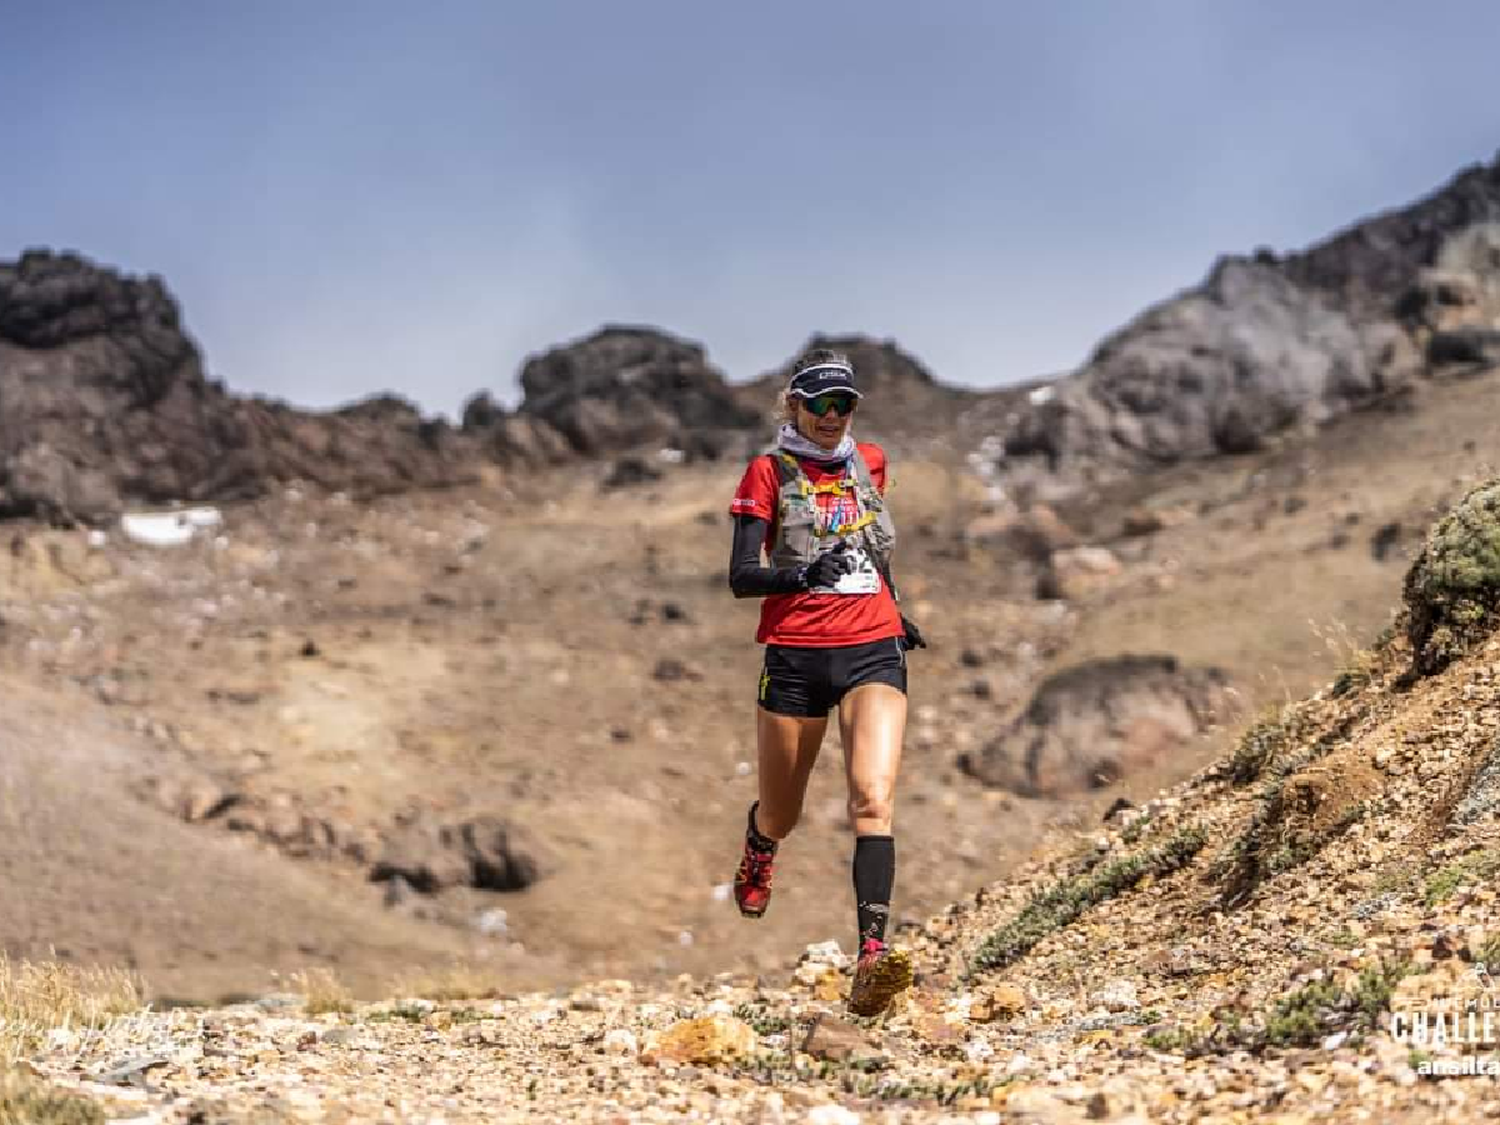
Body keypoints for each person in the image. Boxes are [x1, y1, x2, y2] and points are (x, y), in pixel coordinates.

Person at [725, 347, 926, 1017]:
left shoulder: (870, 463)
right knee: (784, 810)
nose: (833, 417)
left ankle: (872, 954)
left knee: (873, 797)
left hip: (873, 646)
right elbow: (740, 575)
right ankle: (760, 845)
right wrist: (801, 576)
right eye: (820, 405)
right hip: (796, 655)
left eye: (845, 405)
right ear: (794, 406)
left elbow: (870, 547)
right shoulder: (768, 472)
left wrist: (898, 611)